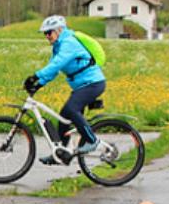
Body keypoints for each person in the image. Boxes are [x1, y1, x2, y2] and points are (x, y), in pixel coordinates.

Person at [24, 14, 107, 160]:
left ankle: (92, 141)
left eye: (49, 32)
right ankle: (63, 153)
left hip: (93, 83)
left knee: (71, 109)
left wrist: (35, 76)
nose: (47, 36)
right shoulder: (58, 47)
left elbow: (57, 64)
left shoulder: (69, 43)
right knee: (63, 118)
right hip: (83, 86)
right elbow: (53, 70)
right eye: (45, 33)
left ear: (59, 30)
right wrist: (38, 85)